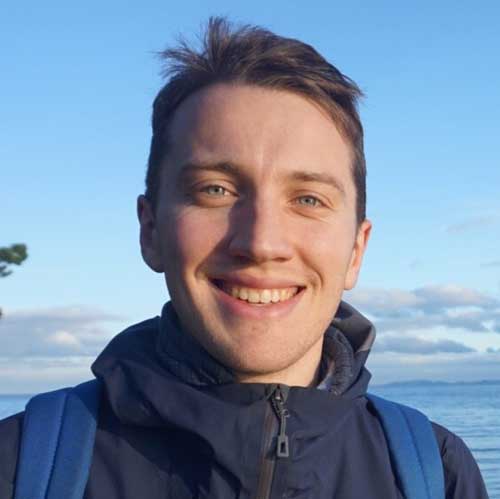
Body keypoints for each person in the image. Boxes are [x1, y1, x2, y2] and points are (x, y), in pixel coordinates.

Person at [0, 17, 489, 499]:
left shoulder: (436, 472)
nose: (261, 242)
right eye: (215, 190)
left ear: (356, 250)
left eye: (308, 199)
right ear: (151, 231)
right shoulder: (20, 464)